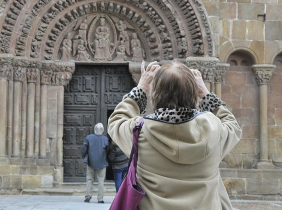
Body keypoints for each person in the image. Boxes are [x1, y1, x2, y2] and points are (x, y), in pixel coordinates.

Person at [108, 61, 242, 210]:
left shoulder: (139, 132)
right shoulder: (214, 130)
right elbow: (232, 125)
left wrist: (141, 89)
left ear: (155, 94)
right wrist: (205, 93)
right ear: (193, 93)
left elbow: (116, 121)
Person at [82, 123, 109, 204]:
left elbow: (84, 149)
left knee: (89, 179)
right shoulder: (106, 139)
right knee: (101, 181)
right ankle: (100, 199)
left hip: (90, 162)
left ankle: (88, 197)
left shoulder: (89, 138)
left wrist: (84, 156)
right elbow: (108, 151)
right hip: (102, 162)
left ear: (94, 130)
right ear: (103, 130)